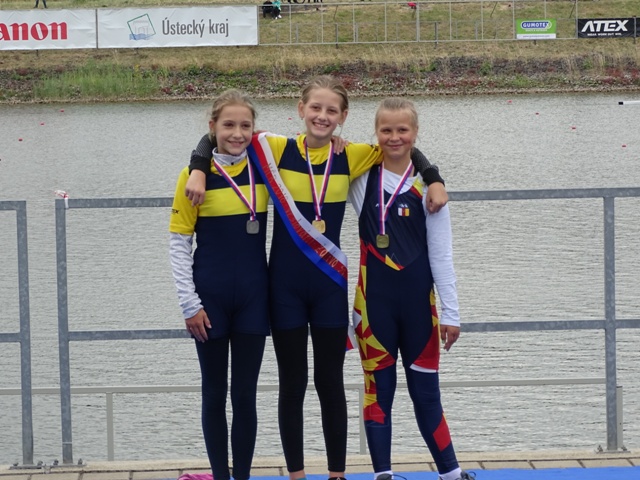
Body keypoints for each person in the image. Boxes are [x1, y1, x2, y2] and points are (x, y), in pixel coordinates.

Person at [185, 76, 449, 480]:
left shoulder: (354, 154)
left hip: (329, 288)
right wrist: (198, 168)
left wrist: (434, 177)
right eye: (315, 108)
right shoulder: (276, 149)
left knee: (330, 384)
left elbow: (400, 145)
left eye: (331, 111)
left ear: (343, 117)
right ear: (300, 110)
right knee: (292, 386)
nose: (322, 116)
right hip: (284, 289)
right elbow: (221, 136)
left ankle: (336, 475)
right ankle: (297, 475)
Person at [348, 98, 474, 480]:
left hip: (421, 308)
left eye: (402, 130)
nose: (394, 137)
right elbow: (316, 152)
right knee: (378, 393)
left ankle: (451, 474)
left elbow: (442, 255)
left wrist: (451, 313)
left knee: (427, 395)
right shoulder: (358, 178)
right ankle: (382, 475)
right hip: (373, 308)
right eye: (385, 130)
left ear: (415, 133)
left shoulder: (428, 188)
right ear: (375, 133)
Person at [169, 90, 271, 480]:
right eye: (228, 125)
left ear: (255, 129)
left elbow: (310, 148)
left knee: (245, 395)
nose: (237, 133)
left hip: (253, 300)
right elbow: (179, 244)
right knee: (214, 393)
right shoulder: (192, 177)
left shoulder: (266, 170)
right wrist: (189, 304)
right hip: (208, 301)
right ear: (213, 127)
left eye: (245, 125)